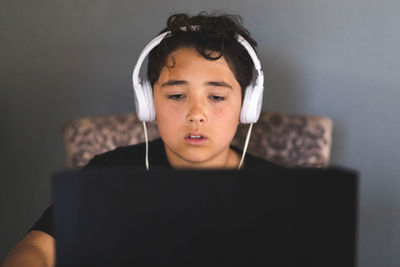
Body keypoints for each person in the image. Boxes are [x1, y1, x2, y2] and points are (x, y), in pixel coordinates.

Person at [2, 12, 280, 267]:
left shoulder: (280, 191)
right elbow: (39, 247)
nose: (197, 115)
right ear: (148, 103)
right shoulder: (108, 175)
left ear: (247, 106)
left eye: (217, 97)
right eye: (176, 96)